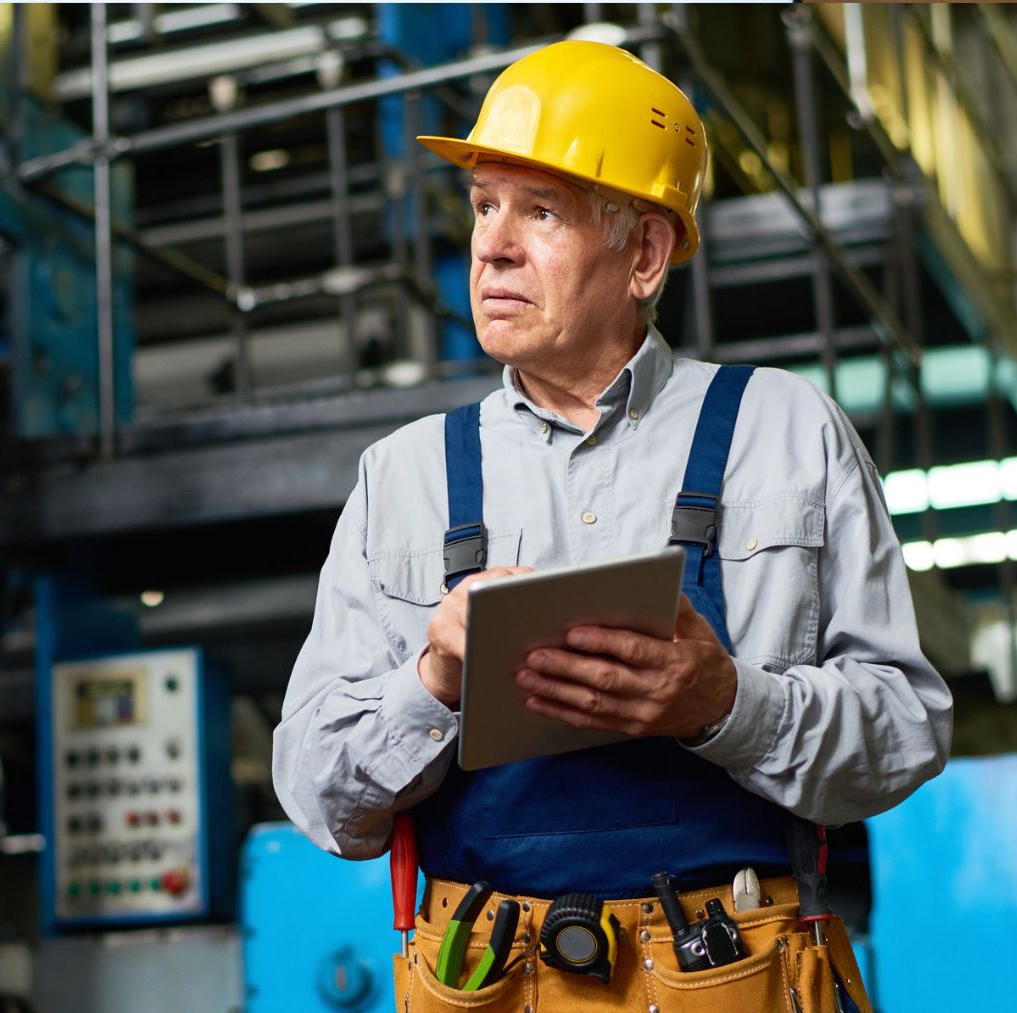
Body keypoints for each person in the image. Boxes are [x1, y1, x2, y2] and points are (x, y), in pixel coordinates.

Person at [271, 40, 951, 1012]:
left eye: (538, 210)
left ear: (644, 252)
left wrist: (726, 703)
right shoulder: (405, 477)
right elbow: (321, 799)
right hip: (492, 976)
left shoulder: (785, 431)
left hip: (731, 973)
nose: (491, 245)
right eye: (484, 205)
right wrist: (433, 686)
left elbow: (907, 729)